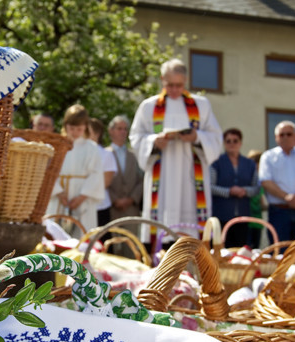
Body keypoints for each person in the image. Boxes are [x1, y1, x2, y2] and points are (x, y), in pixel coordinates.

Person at [130, 58, 223, 245]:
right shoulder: (149, 107)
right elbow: (136, 137)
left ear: (186, 81)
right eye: (170, 85)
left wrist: (196, 137)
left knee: (190, 230)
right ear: (162, 80)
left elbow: (215, 137)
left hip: (190, 175)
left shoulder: (201, 105)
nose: (174, 90)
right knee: (162, 223)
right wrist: (154, 142)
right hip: (162, 175)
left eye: (179, 85)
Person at [46, 104, 104, 235]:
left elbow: (96, 174)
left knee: (82, 233)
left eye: (79, 129)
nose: (75, 132)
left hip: (83, 199)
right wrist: (59, 192)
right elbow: (48, 171)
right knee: (54, 233)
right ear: (65, 125)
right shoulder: (57, 145)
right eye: (71, 128)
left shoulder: (91, 148)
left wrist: (82, 196)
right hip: (58, 198)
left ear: (85, 127)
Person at [210, 128, 259, 248]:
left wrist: (245, 191)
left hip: (242, 216)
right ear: (224, 143)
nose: (232, 144)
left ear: (240, 143)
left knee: (240, 251)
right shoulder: (216, 163)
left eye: (235, 141)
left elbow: (256, 187)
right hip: (221, 216)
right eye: (228, 141)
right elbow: (210, 187)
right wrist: (229, 191)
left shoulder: (250, 164)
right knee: (220, 250)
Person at [105, 115, 145, 257]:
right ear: (111, 131)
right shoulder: (104, 154)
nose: (122, 132)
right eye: (119, 128)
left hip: (131, 209)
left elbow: (142, 180)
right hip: (112, 208)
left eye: (125, 129)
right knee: (113, 249)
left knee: (132, 248)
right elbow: (103, 181)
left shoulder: (134, 156)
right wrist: (115, 199)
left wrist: (132, 198)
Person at [87, 117, 118, 228]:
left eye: (88, 132)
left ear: (97, 133)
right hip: (80, 207)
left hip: (100, 206)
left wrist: (83, 194)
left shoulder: (106, 154)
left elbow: (106, 181)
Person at [246, 150, 266, 249]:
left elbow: (262, 203)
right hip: (246, 221)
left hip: (257, 222)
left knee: (255, 251)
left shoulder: (262, 180)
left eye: (258, 161)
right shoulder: (245, 179)